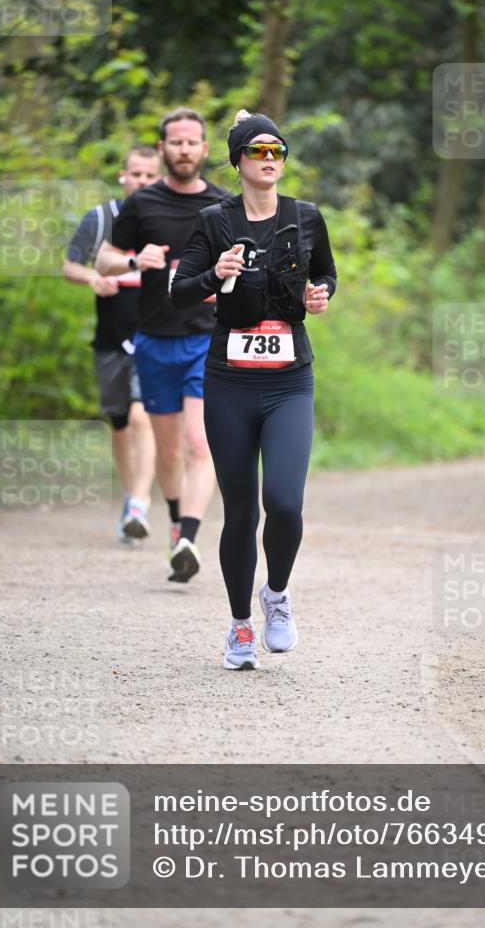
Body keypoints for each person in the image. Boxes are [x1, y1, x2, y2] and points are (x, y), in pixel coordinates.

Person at [171, 110, 337, 670]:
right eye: (258, 152)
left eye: (277, 152)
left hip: (290, 379)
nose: (270, 161)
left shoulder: (306, 217)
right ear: (239, 160)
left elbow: (326, 275)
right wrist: (215, 275)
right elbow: (179, 291)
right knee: (241, 513)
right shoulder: (214, 221)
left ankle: (278, 596)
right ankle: (241, 625)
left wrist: (320, 296)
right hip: (230, 382)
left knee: (285, 503)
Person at [96, 108, 228, 582]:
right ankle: (177, 523)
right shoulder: (143, 204)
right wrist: (134, 258)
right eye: (176, 142)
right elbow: (105, 260)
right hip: (153, 340)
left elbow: (250, 264)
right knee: (168, 454)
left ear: (205, 148)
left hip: (205, 339)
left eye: (193, 142)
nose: (185, 150)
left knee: (200, 443)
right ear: (163, 148)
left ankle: (189, 537)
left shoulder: (223, 205)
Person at [63, 146, 159, 544]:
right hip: (110, 336)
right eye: (136, 174)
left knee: (142, 416)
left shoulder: (168, 218)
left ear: (160, 178)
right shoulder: (101, 218)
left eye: (150, 175)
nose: (142, 181)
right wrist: (92, 279)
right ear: (123, 176)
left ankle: (140, 503)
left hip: (154, 333)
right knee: (119, 422)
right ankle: (129, 497)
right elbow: (69, 264)